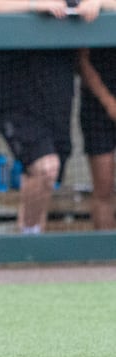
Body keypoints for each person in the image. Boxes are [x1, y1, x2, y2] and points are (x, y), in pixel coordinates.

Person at [0, 0, 101, 233]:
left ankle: (30, 235)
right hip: (17, 98)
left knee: (45, 175)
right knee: (45, 166)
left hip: (58, 100)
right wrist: (33, 4)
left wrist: (97, 2)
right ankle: (29, 237)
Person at [77, 0, 116, 229]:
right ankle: (106, 248)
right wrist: (109, 103)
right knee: (103, 188)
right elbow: (81, 60)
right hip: (97, 107)